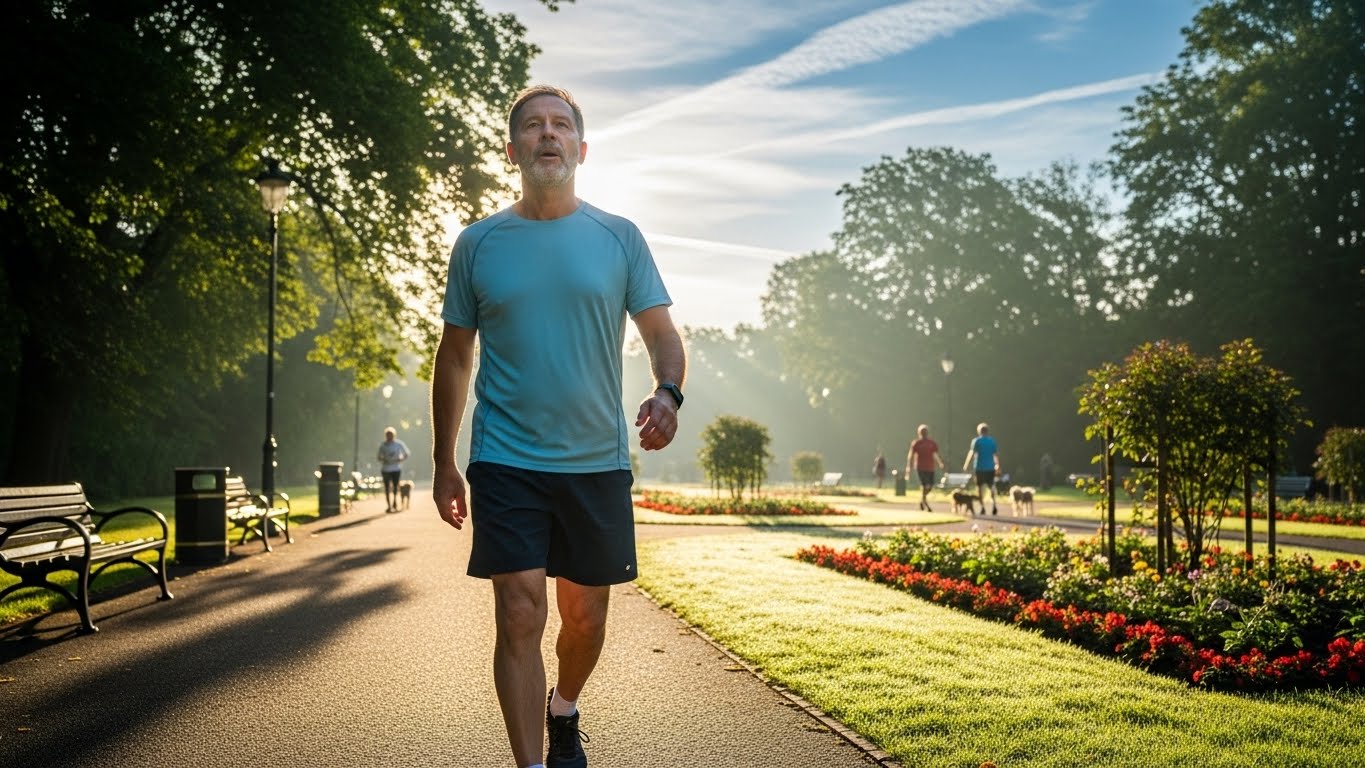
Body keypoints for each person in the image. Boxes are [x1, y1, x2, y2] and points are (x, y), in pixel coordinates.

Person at [430, 85, 686, 768]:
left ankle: (563, 706)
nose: (548, 135)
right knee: (519, 612)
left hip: (595, 461)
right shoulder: (478, 243)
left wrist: (667, 394)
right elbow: (454, 356)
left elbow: (662, 333)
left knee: (584, 619)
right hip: (506, 458)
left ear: (580, 147)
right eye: (534, 127)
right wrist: (443, 459)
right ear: (512, 149)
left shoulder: (617, 237)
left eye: (561, 125)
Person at [962, 422, 1001, 515]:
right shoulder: (992, 441)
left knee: (979, 488)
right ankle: (994, 504)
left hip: (979, 468)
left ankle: (982, 507)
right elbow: (995, 455)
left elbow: (972, 453)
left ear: (979, 431)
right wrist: (998, 465)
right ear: (987, 431)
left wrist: (966, 464)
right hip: (990, 467)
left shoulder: (976, 441)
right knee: (991, 486)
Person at [906, 425, 945, 511]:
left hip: (930, 467)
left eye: (925, 432)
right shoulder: (916, 443)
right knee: (924, 485)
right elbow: (911, 455)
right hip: (920, 467)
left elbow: (935, 454)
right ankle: (926, 504)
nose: (924, 433)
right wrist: (908, 467)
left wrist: (940, 463)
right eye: (922, 432)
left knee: (930, 486)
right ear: (919, 433)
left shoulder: (932, 443)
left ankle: (922, 500)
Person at [376, 426, 410, 513]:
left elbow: (406, 453)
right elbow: (379, 457)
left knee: (395, 487)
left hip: (396, 468)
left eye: (390, 434)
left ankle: (394, 502)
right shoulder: (383, 445)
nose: (389, 436)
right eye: (387, 435)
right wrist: (384, 459)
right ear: (385, 436)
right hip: (386, 469)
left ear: (394, 435)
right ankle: (389, 505)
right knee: (387, 487)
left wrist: (400, 459)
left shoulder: (398, 444)